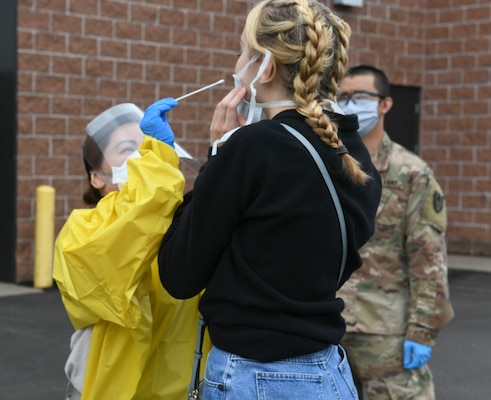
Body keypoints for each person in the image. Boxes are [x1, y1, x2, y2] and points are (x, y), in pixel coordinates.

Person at [145, 1, 382, 399]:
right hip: (328, 374)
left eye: (242, 50)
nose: (236, 64)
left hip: (254, 378)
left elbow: (178, 274)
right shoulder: (352, 150)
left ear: (266, 66)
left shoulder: (251, 149)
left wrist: (217, 156)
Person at [53, 102, 208, 399]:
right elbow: (132, 226)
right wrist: (160, 158)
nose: (142, 157)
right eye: (128, 149)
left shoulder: (180, 225)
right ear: (96, 177)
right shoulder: (80, 234)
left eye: (147, 146)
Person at [336, 65, 455, 399]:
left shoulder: (411, 173)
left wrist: (423, 330)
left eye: (359, 96)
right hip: (330, 327)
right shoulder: (331, 165)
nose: (349, 104)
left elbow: (428, 258)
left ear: (385, 104)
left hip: (385, 335)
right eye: (342, 97)